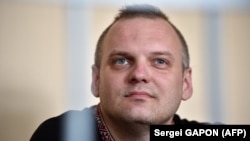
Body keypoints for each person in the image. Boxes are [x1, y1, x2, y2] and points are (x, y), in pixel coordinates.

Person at [30, 4, 208, 141]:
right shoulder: (59, 134)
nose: (139, 74)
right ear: (97, 79)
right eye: (121, 61)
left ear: (186, 83)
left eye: (160, 61)